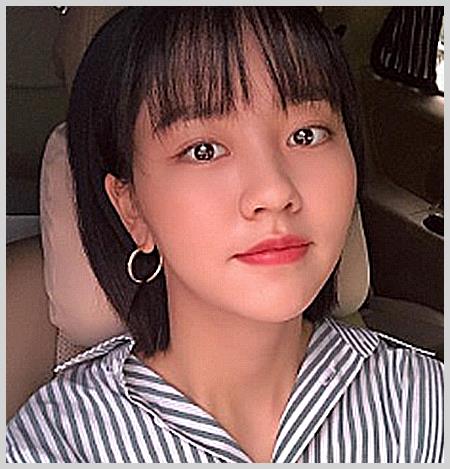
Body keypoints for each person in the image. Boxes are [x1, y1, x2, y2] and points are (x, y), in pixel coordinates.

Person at [6, 7, 443, 463]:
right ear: (132, 208)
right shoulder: (59, 443)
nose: (274, 191)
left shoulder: (423, 404)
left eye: (306, 135)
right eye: (203, 150)